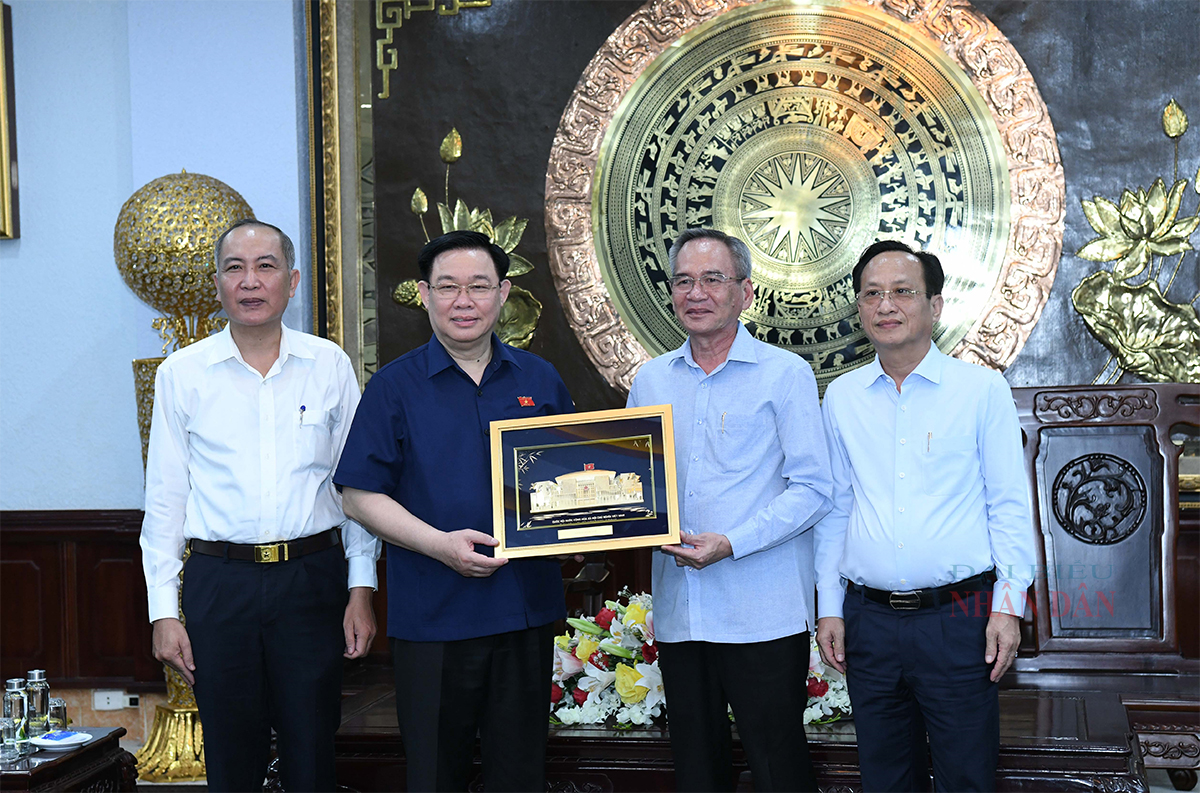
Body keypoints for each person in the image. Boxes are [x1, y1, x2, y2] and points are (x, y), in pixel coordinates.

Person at [140, 219, 381, 792]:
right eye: (235, 268)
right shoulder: (182, 375)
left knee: (313, 750)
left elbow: (358, 490)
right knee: (231, 756)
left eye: (266, 266)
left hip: (311, 580)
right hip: (220, 584)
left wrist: (361, 589)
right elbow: (165, 498)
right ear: (218, 283)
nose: (251, 281)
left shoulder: (329, 366)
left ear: (291, 281)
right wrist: (162, 611)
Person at [333, 230, 574, 792]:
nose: (463, 301)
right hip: (435, 616)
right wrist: (440, 545)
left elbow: (573, 480)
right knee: (436, 775)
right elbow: (358, 495)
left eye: (479, 286)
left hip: (525, 612)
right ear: (424, 294)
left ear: (503, 292)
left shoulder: (540, 380)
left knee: (521, 775)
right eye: (447, 287)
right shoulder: (394, 386)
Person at [814, 240, 1037, 792]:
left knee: (967, 777)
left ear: (934, 306)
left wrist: (1008, 609)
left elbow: (1008, 503)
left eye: (902, 292)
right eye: (872, 294)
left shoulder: (979, 389)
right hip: (869, 622)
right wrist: (829, 608)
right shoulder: (842, 397)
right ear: (859, 309)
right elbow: (835, 508)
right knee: (885, 779)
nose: (886, 305)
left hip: (959, 621)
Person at [625, 228, 833, 792]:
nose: (697, 293)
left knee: (778, 769)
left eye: (713, 279)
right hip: (681, 613)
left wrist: (732, 541)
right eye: (684, 281)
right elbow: (631, 488)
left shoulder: (784, 374)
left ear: (744, 291)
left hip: (760, 610)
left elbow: (814, 489)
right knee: (697, 770)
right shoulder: (649, 380)